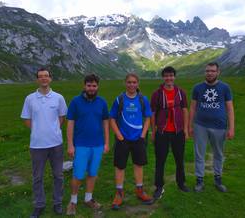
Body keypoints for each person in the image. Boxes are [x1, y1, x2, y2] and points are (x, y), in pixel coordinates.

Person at [21, 68, 67, 218]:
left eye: (46, 76)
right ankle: (39, 205)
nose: (43, 79)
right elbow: (26, 119)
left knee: (58, 175)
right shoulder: (29, 99)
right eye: (40, 77)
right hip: (37, 145)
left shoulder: (59, 98)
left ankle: (57, 202)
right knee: (37, 177)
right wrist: (39, 130)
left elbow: (61, 118)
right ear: (37, 80)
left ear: (50, 79)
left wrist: (52, 130)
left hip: (56, 143)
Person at [65, 74, 110, 215]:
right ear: (84, 86)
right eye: (89, 85)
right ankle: (73, 201)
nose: (91, 88)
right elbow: (70, 123)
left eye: (94, 86)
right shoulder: (75, 102)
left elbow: (105, 123)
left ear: (98, 87)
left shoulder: (102, 102)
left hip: (97, 144)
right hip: (81, 145)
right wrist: (70, 145)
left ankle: (88, 198)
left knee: (92, 173)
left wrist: (107, 142)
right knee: (78, 174)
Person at [188, 62, 235, 192]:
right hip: (200, 125)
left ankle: (218, 179)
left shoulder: (225, 88)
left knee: (218, 154)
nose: (210, 73)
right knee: (199, 154)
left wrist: (231, 128)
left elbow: (230, 108)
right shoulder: (197, 88)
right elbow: (192, 107)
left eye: (213, 71)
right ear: (205, 72)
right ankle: (199, 180)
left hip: (219, 126)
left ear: (218, 72)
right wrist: (190, 126)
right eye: (207, 71)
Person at [110, 73, 153, 210]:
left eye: (134, 82)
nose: (132, 85)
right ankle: (119, 193)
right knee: (120, 166)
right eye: (129, 82)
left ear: (138, 83)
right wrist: (119, 135)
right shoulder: (119, 99)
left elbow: (148, 117)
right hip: (122, 139)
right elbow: (111, 119)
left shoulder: (143, 99)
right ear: (125, 83)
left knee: (139, 165)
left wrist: (143, 134)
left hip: (138, 138)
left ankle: (139, 190)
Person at [151, 66, 190, 200]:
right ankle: (159, 186)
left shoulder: (180, 92)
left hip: (178, 131)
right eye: (166, 76)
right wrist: (153, 130)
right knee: (160, 160)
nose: (169, 78)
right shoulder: (157, 93)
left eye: (171, 75)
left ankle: (181, 183)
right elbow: (153, 113)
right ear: (163, 77)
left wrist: (185, 129)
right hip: (162, 131)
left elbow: (185, 110)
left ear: (174, 77)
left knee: (179, 159)